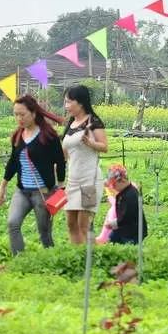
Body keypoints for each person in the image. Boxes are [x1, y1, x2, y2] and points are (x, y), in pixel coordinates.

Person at [0, 95, 66, 255]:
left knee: (44, 233)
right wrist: (3, 186)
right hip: (22, 191)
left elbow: (60, 161)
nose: (18, 118)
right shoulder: (17, 136)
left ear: (33, 113)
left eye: (22, 114)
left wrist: (60, 186)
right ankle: (20, 260)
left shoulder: (48, 136)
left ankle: (50, 261)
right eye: (16, 114)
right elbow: (13, 163)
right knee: (13, 223)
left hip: (43, 193)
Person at [62, 85, 108, 245]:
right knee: (71, 223)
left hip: (90, 181)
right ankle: (78, 258)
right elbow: (65, 152)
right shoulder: (70, 124)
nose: (66, 106)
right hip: (72, 181)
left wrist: (90, 144)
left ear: (80, 102)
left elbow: (104, 146)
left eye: (68, 102)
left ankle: (92, 259)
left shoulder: (93, 121)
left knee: (84, 224)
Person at [102, 163, 146, 245]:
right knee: (111, 240)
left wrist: (113, 223)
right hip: (122, 228)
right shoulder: (123, 192)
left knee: (127, 246)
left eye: (113, 184)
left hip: (133, 232)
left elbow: (127, 216)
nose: (113, 187)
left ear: (122, 181)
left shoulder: (131, 195)